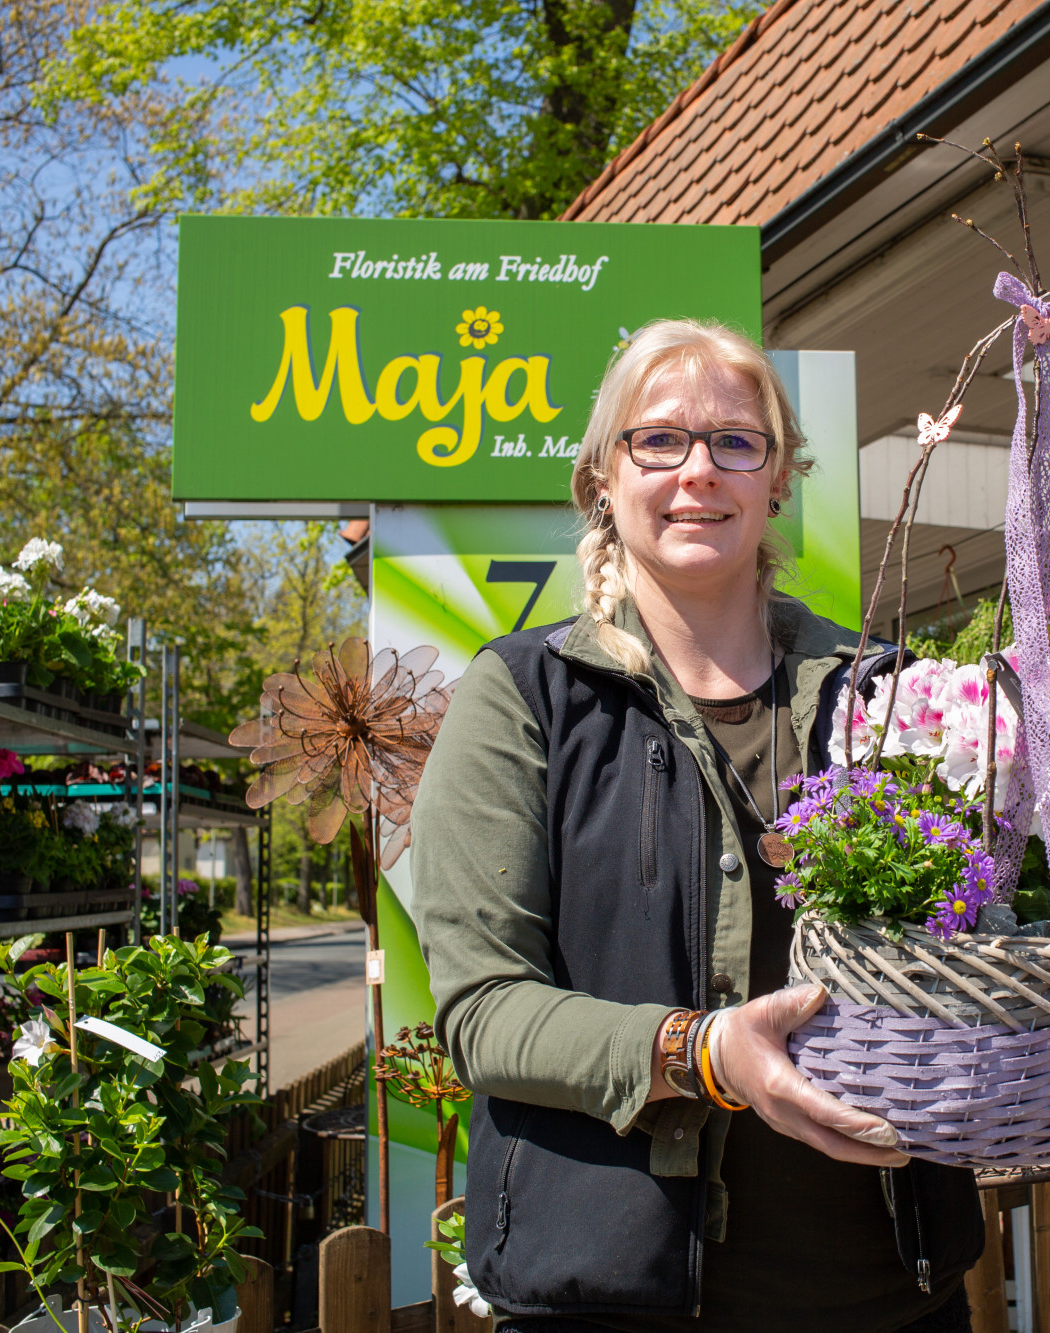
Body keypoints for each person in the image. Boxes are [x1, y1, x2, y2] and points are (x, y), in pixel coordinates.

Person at [411, 319, 984, 1331]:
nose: (698, 471)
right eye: (659, 440)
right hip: (609, 1297)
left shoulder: (883, 694)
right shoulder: (524, 698)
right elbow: (482, 1010)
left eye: (734, 441)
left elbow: (968, 938)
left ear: (777, 479)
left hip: (887, 1291)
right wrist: (700, 1050)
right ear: (601, 478)